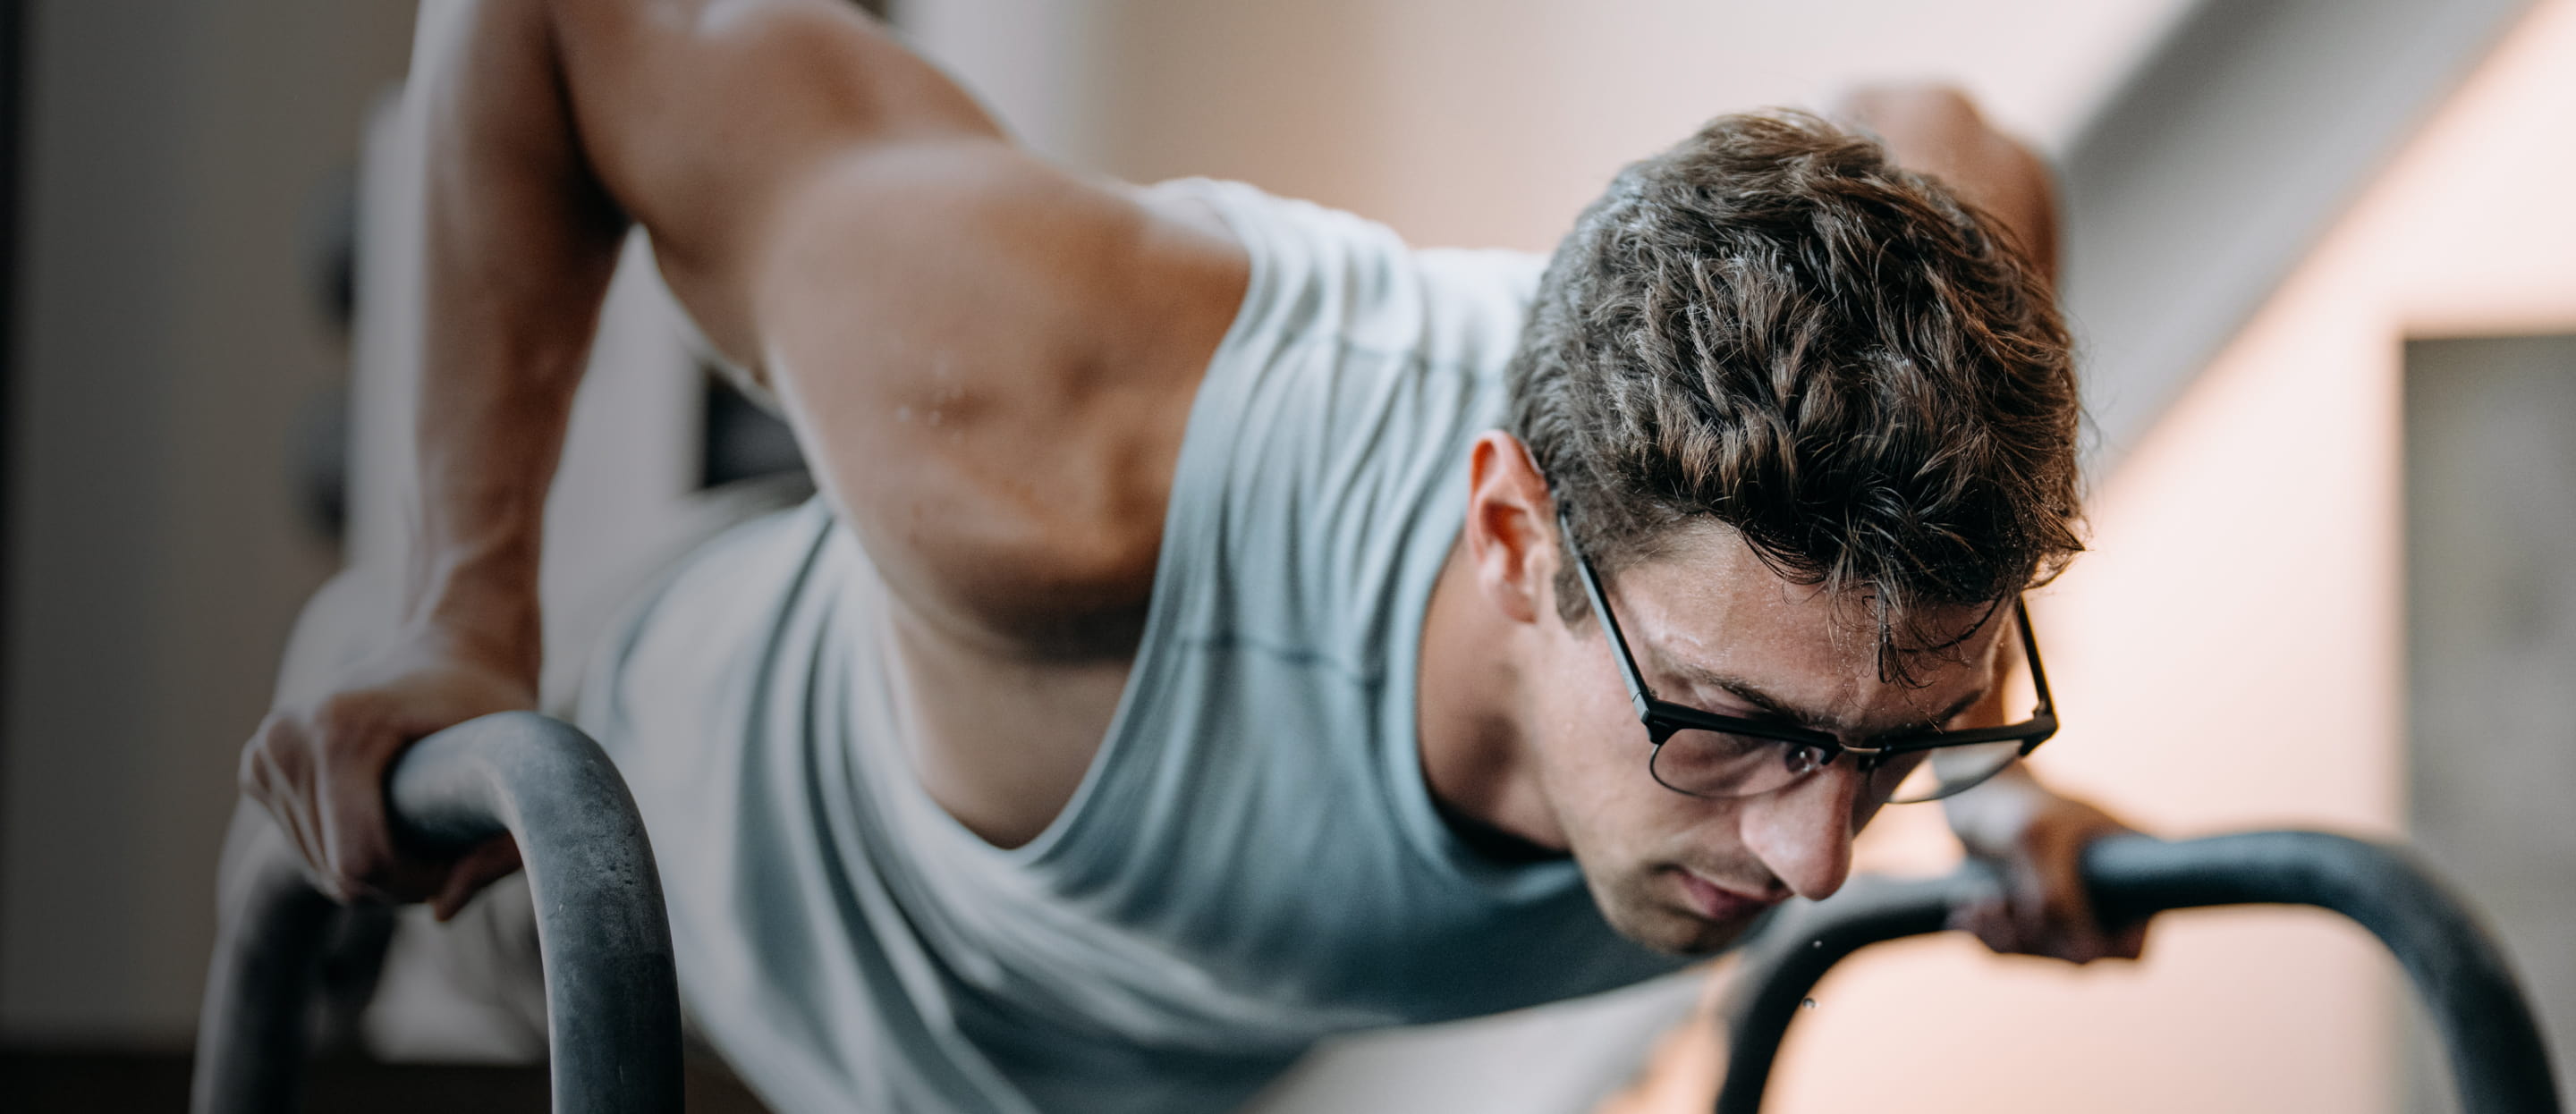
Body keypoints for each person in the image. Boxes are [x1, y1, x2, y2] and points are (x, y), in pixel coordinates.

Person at [235, 1, 2146, 1110]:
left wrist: (1990, 782)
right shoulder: (1061, 433)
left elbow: (1946, 134)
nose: (1817, 855)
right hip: (662, 874)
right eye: (1728, 727)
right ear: (1511, 530)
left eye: (1897, 734)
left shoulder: (1869, 524)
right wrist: (450, 605)